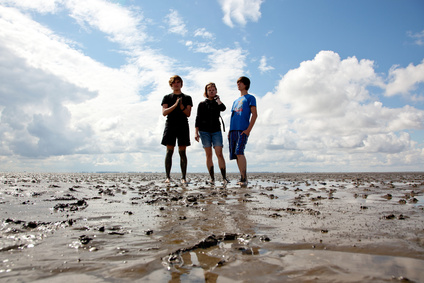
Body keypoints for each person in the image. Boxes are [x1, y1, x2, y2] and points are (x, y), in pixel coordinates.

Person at [194, 82, 228, 185]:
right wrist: (196, 132)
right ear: (206, 92)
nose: (211, 91)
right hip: (204, 132)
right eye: (209, 90)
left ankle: (224, 178)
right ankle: (212, 178)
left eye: (213, 90)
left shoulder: (217, 103)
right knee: (208, 155)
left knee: (219, 154)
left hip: (216, 131)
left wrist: (218, 100)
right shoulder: (202, 104)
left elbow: (223, 108)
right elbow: (198, 119)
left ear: (216, 91)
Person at [161, 75, 193, 184]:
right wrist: (175, 105)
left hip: (183, 125)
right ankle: (168, 177)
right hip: (170, 125)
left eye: (178, 82)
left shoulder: (187, 97)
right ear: (171, 85)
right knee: (169, 151)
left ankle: (183, 177)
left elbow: (188, 113)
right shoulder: (167, 97)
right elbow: (164, 112)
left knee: (182, 152)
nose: (176, 84)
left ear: (181, 84)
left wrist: (181, 106)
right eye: (174, 82)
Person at [228, 76, 257, 187]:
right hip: (233, 130)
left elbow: (254, 115)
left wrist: (248, 130)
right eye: (237, 82)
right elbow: (233, 116)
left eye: (240, 82)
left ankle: (244, 178)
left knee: (240, 152)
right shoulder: (235, 101)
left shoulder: (250, 98)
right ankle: (241, 176)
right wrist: (229, 131)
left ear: (245, 84)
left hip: (242, 130)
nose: (238, 84)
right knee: (236, 154)